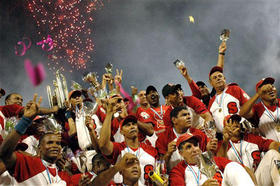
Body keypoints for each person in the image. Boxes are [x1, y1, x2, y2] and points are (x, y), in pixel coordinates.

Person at [0, 94, 72, 185]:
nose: (20, 101)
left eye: (21, 99)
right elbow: (6, 153)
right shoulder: (26, 137)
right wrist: (55, 109)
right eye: (17, 98)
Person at [98, 96, 158, 185]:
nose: (132, 126)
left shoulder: (152, 150)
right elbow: (103, 145)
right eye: (127, 125)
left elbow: (158, 175)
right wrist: (109, 112)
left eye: (134, 124)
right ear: (121, 131)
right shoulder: (118, 149)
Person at [169, 133, 256, 186]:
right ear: (181, 153)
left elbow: (245, 169)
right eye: (188, 147)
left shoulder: (213, 160)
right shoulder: (178, 170)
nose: (194, 149)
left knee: (232, 166)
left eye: (195, 145)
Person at [218, 114, 280, 186]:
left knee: (273, 154)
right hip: (237, 182)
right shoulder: (221, 145)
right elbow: (220, 162)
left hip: (257, 178)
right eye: (231, 122)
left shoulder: (251, 138)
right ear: (225, 127)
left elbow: (273, 145)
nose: (235, 124)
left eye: (237, 122)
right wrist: (226, 140)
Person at [208, 66, 250, 133]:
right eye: (215, 78)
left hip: (241, 131)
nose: (218, 78)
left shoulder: (235, 89)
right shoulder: (211, 102)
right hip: (223, 137)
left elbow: (250, 108)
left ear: (224, 78)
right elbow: (210, 121)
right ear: (211, 83)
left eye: (220, 76)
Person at [239, 77, 280, 142]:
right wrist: (258, 94)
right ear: (260, 95)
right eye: (266, 90)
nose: (270, 90)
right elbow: (242, 113)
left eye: (272, 87)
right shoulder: (257, 109)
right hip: (273, 149)